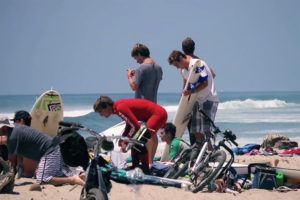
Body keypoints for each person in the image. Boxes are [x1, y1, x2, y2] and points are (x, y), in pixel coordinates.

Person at [0, 116, 87, 186]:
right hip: (55, 148)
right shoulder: (16, 128)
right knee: (56, 173)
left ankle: (72, 179)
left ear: (4, 127)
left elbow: (11, 163)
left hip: (49, 151)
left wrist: (8, 181)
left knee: (42, 179)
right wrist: (20, 163)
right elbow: (18, 148)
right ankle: (81, 176)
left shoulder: (12, 136)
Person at [93, 96, 167, 173]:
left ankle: (145, 169)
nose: (101, 115)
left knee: (140, 141)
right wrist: (123, 138)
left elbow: (135, 126)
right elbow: (129, 124)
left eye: (100, 112)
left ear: (107, 106)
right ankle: (135, 166)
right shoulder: (117, 108)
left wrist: (125, 141)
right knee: (134, 142)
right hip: (153, 115)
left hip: (158, 114)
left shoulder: (120, 108)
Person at [168, 50, 219, 150]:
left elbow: (205, 83)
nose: (177, 67)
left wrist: (192, 91)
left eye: (176, 64)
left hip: (209, 98)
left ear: (181, 58)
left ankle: (212, 155)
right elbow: (188, 86)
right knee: (196, 132)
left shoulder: (198, 64)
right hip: (196, 101)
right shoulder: (184, 71)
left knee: (206, 131)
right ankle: (200, 158)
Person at [127, 43, 163, 165]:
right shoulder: (158, 67)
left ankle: (146, 163)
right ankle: (150, 161)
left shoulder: (141, 68)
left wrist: (129, 77)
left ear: (140, 54)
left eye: (136, 58)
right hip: (154, 104)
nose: (137, 61)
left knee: (144, 135)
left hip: (142, 106)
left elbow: (134, 86)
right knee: (153, 134)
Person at [182, 37, 217, 144]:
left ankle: (205, 152)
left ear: (182, 49)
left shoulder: (187, 64)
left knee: (198, 130)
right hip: (207, 96)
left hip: (198, 99)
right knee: (205, 130)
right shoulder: (200, 61)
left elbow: (185, 85)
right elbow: (213, 75)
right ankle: (208, 152)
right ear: (194, 48)